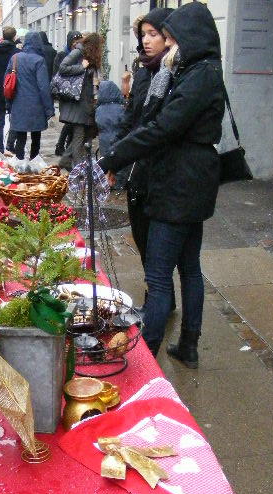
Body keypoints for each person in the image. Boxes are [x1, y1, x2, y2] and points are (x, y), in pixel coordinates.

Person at [99, 2, 225, 366]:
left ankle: (145, 363)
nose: (167, 46)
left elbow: (162, 128)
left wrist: (112, 157)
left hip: (180, 184)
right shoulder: (195, 70)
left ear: (191, 38)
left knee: (158, 276)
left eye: (170, 39)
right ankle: (188, 345)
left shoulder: (200, 74)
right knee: (188, 267)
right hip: (188, 180)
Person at [115, 8, 173, 318]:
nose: (147, 41)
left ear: (169, 37)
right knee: (141, 235)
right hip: (136, 166)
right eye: (143, 35)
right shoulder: (143, 69)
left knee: (158, 247)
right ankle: (162, 300)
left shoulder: (174, 72)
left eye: (153, 34)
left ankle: (158, 304)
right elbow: (131, 117)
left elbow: (159, 127)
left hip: (160, 170)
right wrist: (112, 157)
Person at [5, 31, 54, 161]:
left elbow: (7, 82)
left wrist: (8, 103)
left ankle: (20, 164)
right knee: (35, 137)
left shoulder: (15, 58)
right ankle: (34, 163)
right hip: (35, 106)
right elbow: (43, 87)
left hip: (18, 103)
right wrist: (49, 109)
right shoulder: (39, 60)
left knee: (20, 138)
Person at [58, 32, 103, 169]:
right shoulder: (79, 52)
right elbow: (63, 67)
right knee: (79, 134)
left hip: (86, 102)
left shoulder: (89, 56)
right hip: (78, 101)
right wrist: (81, 67)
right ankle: (78, 169)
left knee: (86, 133)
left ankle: (66, 160)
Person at [0, 26, 20, 154]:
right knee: (15, 119)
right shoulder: (17, 53)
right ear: (14, 37)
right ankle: (10, 144)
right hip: (13, 90)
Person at [52, 30, 82, 157]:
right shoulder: (62, 55)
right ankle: (61, 146)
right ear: (70, 42)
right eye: (74, 42)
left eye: (78, 42)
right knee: (69, 121)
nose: (76, 44)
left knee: (73, 122)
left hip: (77, 93)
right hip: (66, 93)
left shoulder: (81, 55)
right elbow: (59, 73)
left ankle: (66, 147)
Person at [94, 80, 127, 191]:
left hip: (103, 140)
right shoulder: (120, 108)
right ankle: (119, 183)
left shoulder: (99, 109)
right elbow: (124, 122)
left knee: (108, 161)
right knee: (120, 161)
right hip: (117, 138)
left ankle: (108, 182)